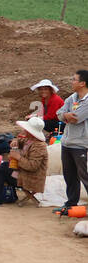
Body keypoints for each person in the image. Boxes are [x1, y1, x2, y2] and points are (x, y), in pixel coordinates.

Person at [0, 118, 48, 206]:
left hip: (31, 178)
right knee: (4, 166)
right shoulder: (29, 140)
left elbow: (33, 166)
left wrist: (18, 157)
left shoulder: (39, 147)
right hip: (24, 173)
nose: (24, 130)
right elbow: (19, 140)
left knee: (1, 169)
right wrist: (15, 141)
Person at [57, 70, 88, 211]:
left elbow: (77, 118)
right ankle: (71, 203)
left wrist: (66, 115)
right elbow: (59, 113)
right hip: (66, 142)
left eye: (74, 79)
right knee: (69, 175)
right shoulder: (72, 97)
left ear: (82, 83)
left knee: (84, 175)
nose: (72, 81)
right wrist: (66, 115)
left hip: (81, 144)